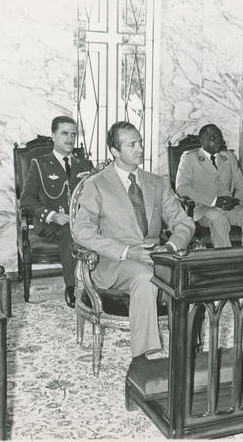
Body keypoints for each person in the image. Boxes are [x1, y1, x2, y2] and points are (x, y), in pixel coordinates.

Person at [72, 121, 194, 361]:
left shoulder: (157, 183)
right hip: (113, 262)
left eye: (140, 142)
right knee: (144, 276)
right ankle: (144, 359)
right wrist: (127, 251)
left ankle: (187, 354)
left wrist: (170, 247)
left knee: (188, 275)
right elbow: (82, 230)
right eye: (132, 145)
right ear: (115, 151)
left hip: (158, 257)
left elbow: (184, 223)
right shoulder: (96, 184)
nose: (140, 149)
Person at [20, 116, 93, 308]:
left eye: (73, 134)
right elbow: (26, 200)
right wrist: (52, 215)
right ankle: (73, 288)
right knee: (69, 232)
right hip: (51, 224)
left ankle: (99, 284)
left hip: (81, 221)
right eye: (64, 133)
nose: (70, 138)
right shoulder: (39, 164)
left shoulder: (85, 165)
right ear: (53, 136)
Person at [175, 123, 243, 247]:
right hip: (203, 208)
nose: (218, 140)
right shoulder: (189, 158)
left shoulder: (229, 157)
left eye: (219, 137)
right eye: (213, 138)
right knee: (219, 219)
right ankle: (224, 257)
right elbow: (181, 188)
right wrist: (214, 201)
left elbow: (242, 186)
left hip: (229, 207)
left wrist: (236, 201)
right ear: (202, 141)